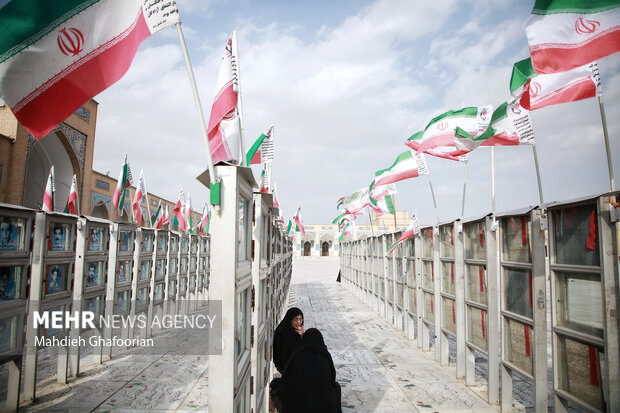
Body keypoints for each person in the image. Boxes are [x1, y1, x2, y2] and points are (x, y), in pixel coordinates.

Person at [271, 328, 342, 413]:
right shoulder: (325, 357)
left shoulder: (297, 356)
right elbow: (331, 379)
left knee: (278, 385)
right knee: (336, 389)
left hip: (299, 398)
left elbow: (287, 377)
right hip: (322, 401)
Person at [273, 307, 304, 374]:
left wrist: (302, 336)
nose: (299, 322)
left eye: (300, 319)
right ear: (290, 320)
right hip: (286, 369)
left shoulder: (297, 332)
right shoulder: (282, 333)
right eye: (296, 319)